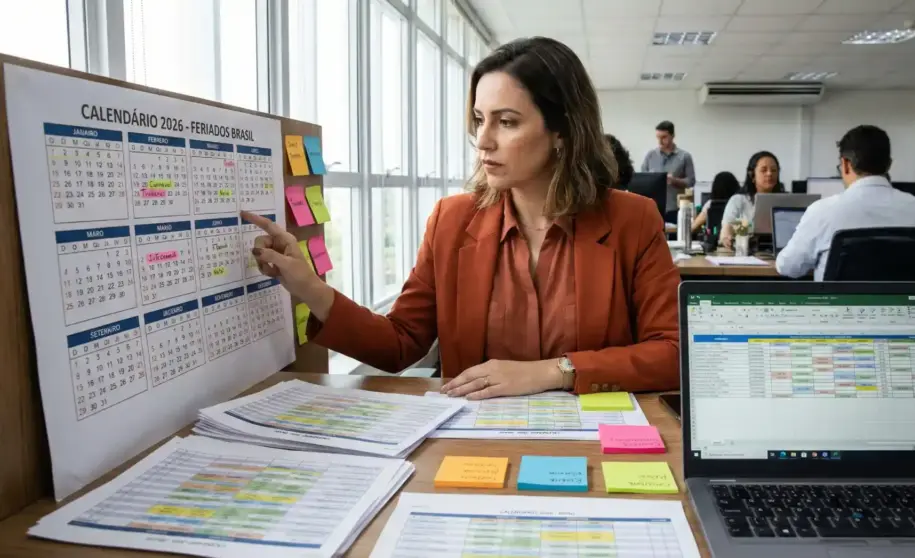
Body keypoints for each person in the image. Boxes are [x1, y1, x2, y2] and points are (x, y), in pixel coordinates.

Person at [242, 37, 680, 401]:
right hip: (475, 442)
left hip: (597, 441)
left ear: (562, 131)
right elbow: (399, 344)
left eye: (506, 122)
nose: (483, 141)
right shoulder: (452, 220)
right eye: (478, 120)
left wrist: (556, 371)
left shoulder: (632, 220)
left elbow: (673, 354)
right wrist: (310, 288)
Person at [776, 125, 915, 280]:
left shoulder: (822, 211)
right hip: (908, 308)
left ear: (846, 164)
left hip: (840, 308)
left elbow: (789, 267)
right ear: (889, 164)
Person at [719, 151, 784, 248]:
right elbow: (726, 229)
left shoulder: (784, 201)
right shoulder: (739, 200)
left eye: (774, 170)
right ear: (752, 175)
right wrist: (726, 239)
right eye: (763, 170)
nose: (769, 174)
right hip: (746, 253)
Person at [639, 121, 695, 219]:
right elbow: (641, 179)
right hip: (653, 208)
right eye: (658, 137)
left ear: (672, 136)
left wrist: (674, 181)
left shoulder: (685, 156)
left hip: (675, 209)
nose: (660, 141)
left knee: (674, 234)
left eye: (664, 137)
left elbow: (691, 181)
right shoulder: (650, 156)